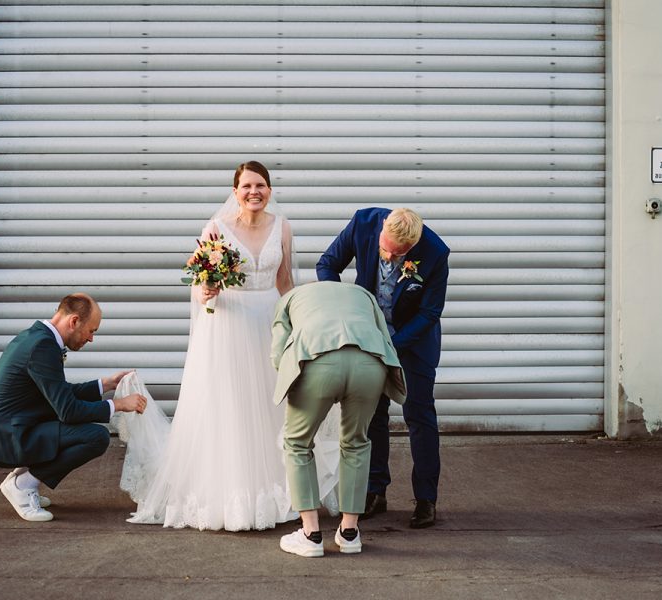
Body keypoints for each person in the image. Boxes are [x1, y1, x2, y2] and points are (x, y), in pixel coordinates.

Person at [119, 161, 340, 531]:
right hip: (229, 325)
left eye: (261, 186)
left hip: (270, 321)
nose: (255, 192)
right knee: (233, 405)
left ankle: (282, 492)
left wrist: (302, 322)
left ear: (269, 190)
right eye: (247, 186)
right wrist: (204, 291)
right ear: (235, 192)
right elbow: (199, 282)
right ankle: (233, 495)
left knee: (273, 402)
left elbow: (285, 280)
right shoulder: (217, 229)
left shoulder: (282, 228)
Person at [317, 207, 449, 529]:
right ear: (382, 230)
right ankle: (375, 492)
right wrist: (343, 311)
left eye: (398, 254)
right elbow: (327, 265)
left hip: (413, 343)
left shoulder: (435, 252)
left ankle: (426, 499)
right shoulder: (363, 223)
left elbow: (430, 312)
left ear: (413, 245)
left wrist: (394, 344)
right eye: (384, 248)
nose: (388, 257)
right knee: (373, 415)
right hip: (368, 336)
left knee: (419, 416)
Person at [0, 293, 147, 522]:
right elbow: (68, 411)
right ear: (74, 321)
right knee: (96, 437)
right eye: (91, 330)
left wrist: (105, 385)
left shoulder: (37, 337)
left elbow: (58, 393)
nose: (91, 338)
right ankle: (23, 484)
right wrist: (119, 404)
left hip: (11, 427)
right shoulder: (43, 346)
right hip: (5, 437)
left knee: (84, 431)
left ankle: (23, 479)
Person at [272, 281, 406, 557]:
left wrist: (293, 381)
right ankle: (349, 533)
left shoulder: (289, 298)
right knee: (356, 442)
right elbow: (384, 334)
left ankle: (311, 535)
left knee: (297, 443)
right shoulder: (364, 295)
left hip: (318, 362)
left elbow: (278, 352)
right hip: (370, 364)